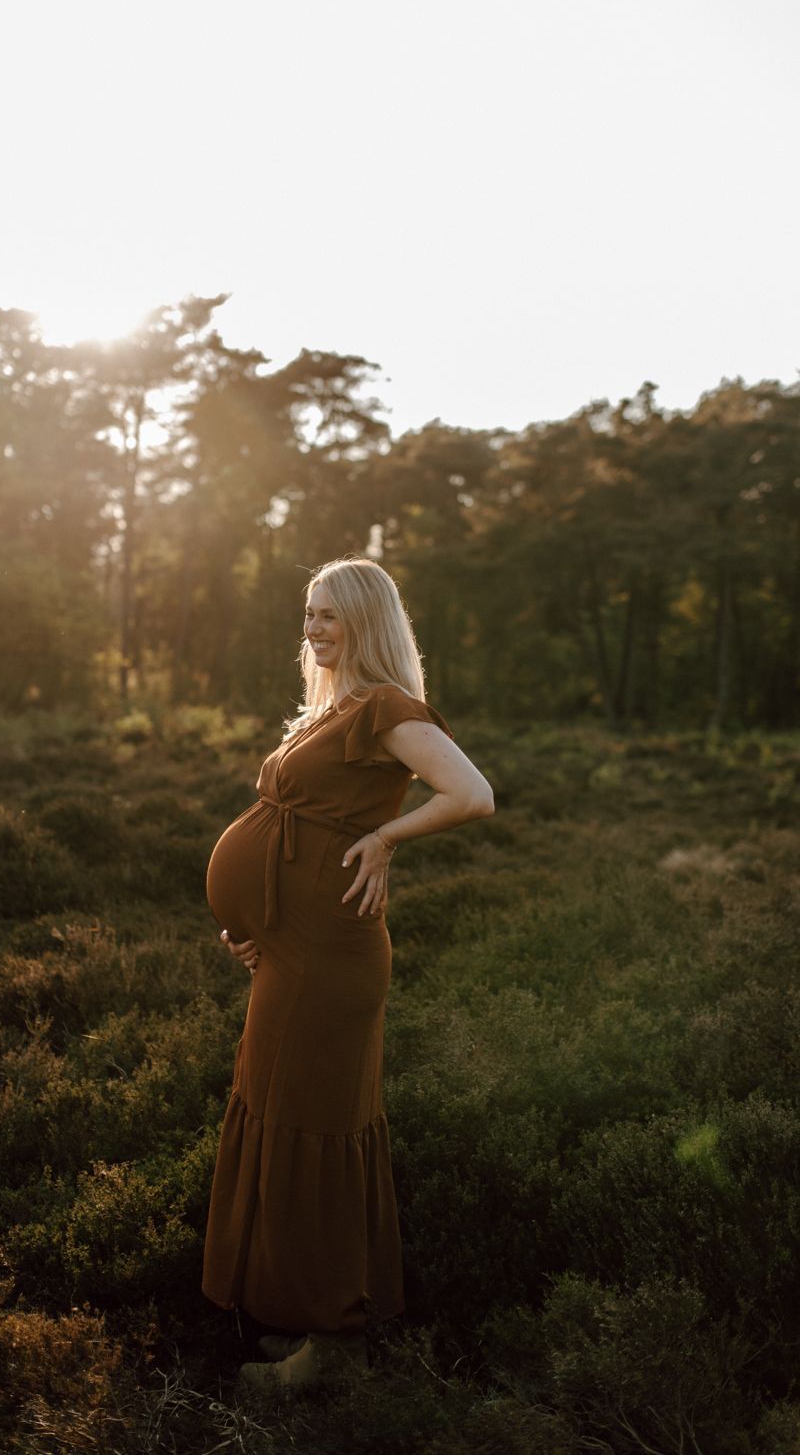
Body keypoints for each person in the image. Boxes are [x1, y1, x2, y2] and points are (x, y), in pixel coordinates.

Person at [202, 556, 495, 1389]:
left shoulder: (387, 708)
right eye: (308, 613)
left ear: (369, 621)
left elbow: (472, 793)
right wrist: (250, 922)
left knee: (315, 1129)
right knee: (277, 1110)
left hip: (329, 960)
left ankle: (333, 1350)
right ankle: (294, 1315)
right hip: (289, 952)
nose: (313, 628)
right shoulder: (332, 710)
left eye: (330, 615)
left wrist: (386, 839)